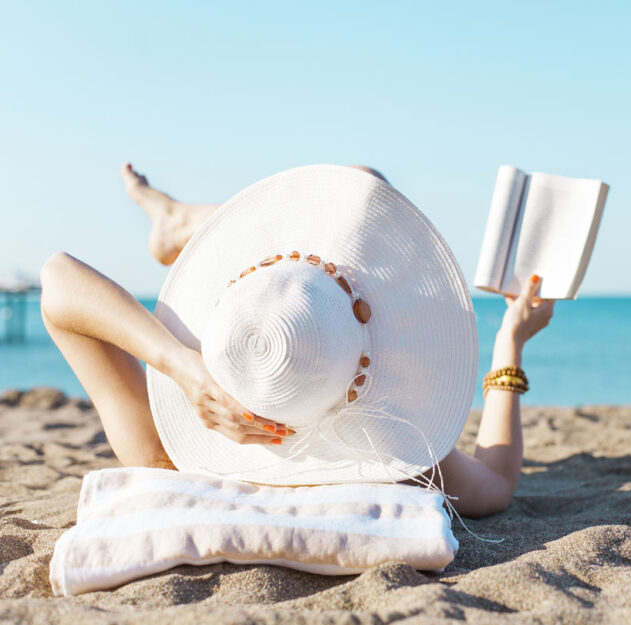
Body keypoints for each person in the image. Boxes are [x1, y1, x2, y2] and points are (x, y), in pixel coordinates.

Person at [39, 164, 554, 519]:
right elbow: (497, 480)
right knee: (362, 183)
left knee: (358, 185)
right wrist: (511, 339)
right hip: (315, 394)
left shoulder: (166, 458)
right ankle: (185, 223)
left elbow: (58, 278)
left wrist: (181, 366)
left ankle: (182, 223)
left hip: (204, 380)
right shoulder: (398, 462)